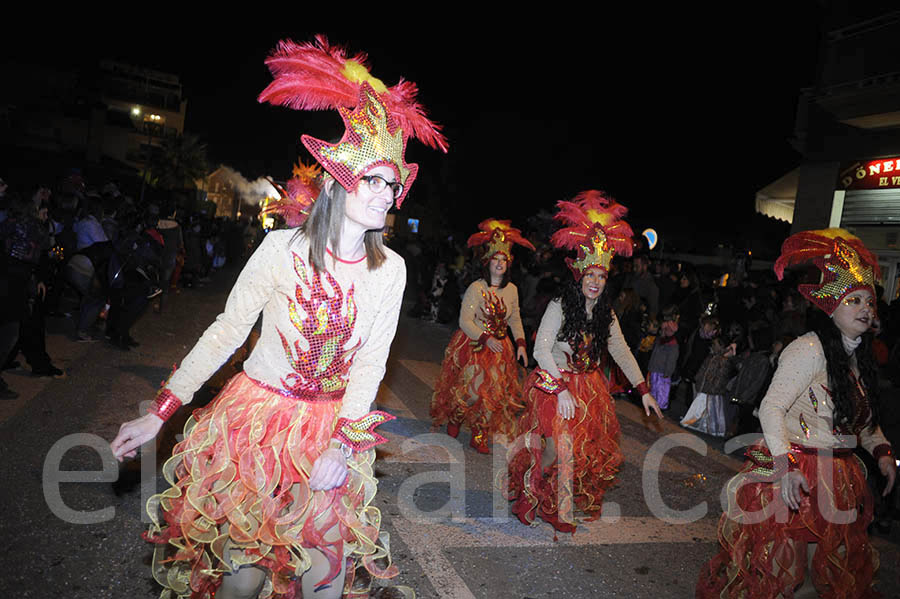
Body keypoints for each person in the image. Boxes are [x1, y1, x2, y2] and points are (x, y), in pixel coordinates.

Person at [110, 35, 446, 599]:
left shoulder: (391, 270)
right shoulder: (281, 249)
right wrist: (162, 410)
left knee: (325, 579)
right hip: (256, 426)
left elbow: (370, 364)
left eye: (394, 184)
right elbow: (227, 330)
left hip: (330, 429)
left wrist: (342, 445)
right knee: (242, 578)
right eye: (376, 181)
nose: (388, 195)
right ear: (342, 180)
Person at [697, 229, 896, 598]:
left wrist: (883, 453)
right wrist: (784, 467)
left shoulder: (859, 359)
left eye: (869, 303)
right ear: (831, 306)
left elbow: (862, 425)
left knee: (823, 576)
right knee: (784, 574)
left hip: (839, 479)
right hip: (798, 474)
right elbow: (771, 407)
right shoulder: (808, 350)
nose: (865, 310)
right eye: (854, 301)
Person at [506, 190, 662, 533]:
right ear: (579, 275)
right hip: (554, 383)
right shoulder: (560, 305)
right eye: (590, 275)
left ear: (607, 280)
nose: (595, 282)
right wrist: (560, 389)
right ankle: (532, 490)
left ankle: (557, 509)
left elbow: (621, 351)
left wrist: (643, 390)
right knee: (555, 451)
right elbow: (541, 350)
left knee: (571, 452)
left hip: (589, 389)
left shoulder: (606, 313)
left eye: (601, 276)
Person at [431, 219, 534, 453]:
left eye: (503, 260)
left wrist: (520, 343)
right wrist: (485, 339)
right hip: (475, 345)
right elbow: (464, 321)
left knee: (494, 394)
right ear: (487, 262)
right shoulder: (476, 288)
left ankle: (480, 433)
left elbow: (515, 318)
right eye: (495, 260)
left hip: (501, 349)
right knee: (471, 391)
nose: (499, 264)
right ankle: (456, 417)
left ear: (509, 264)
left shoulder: (512, 290)